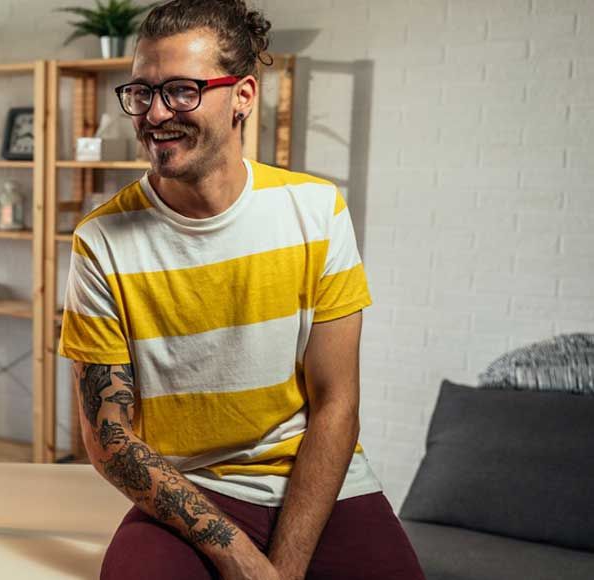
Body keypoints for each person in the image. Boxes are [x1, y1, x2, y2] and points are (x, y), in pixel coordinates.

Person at [57, 1, 425, 578]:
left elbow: (337, 404)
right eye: (142, 92)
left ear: (243, 96)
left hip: (318, 479)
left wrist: (286, 567)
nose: (155, 113)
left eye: (182, 91)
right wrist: (238, 554)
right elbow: (109, 439)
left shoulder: (317, 211)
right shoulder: (101, 242)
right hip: (186, 489)